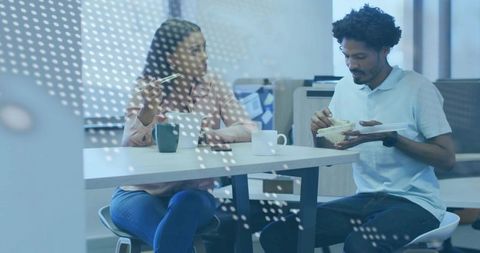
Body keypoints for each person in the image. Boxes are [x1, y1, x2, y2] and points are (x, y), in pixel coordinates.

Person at [260, 5, 456, 253]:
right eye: (346, 55)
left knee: (360, 246)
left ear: (384, 51)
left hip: (415, 203)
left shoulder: (417, 88)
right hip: (366, 199)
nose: (351, 64)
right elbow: (331, 155)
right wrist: (318, 132)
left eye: (360, 57)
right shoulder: (345, 88)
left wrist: (391, 138)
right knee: (278, 235)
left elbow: (447, 159)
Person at [110, 19, 256, 253]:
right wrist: (148, 108)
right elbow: (129, 145)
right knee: (174, 236)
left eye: (204, 48)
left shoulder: (214, 85)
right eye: (195, 51)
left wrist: (209, 135)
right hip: (138, 193)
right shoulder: (148, 87)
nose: (204, 56)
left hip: (193, 193)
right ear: (171, 58)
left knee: (184, 210)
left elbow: (249, 129)